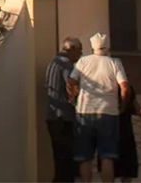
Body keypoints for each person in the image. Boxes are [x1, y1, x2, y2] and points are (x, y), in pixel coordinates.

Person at [68, 33, 130, 182]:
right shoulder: (115, 62)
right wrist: (122, 105)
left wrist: (74, 98)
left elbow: (71, 81)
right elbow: (125, 87)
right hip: (108, 112)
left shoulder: (83, 61)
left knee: (85, 157)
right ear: (108, 46)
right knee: (107, 156)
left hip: (84, 112)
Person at [45, 37, 83, 182]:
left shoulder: (53, 62)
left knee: (59, 158)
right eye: (79, 51)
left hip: (52, 116)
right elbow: (71, 87)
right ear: (72, 49)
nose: (80, 55)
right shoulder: (67, 65)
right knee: (66, 161)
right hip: (64, 118)